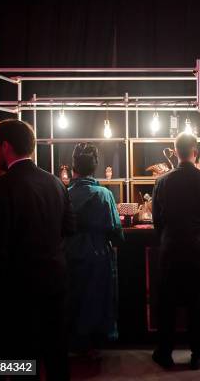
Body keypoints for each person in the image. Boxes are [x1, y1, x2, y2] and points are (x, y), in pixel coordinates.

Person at [0, 119, 74, 380]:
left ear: (5, 147)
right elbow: (69, 228)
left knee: (20, 360)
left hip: (15, 289)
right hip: (55, 283)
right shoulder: (56, 183)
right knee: (56, 356)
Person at [151, 133, 200, 370]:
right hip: (198, 246)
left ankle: (164, 352)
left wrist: (169, 234)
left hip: (170, 244)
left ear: (175, 150)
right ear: (194, 151)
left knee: (167, 300)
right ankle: (199, 353)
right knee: (198, 299)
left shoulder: (162, 181)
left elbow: (157, 220)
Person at [64, 143, 124, 359]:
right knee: (95, 298)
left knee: (74, 298)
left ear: (73, 168)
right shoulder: (104, 194)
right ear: (95, 167)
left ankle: (75, 342)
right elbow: (115, 229)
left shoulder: (64, 193)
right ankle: (91, 344)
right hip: (97, 254)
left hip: (69, 253)